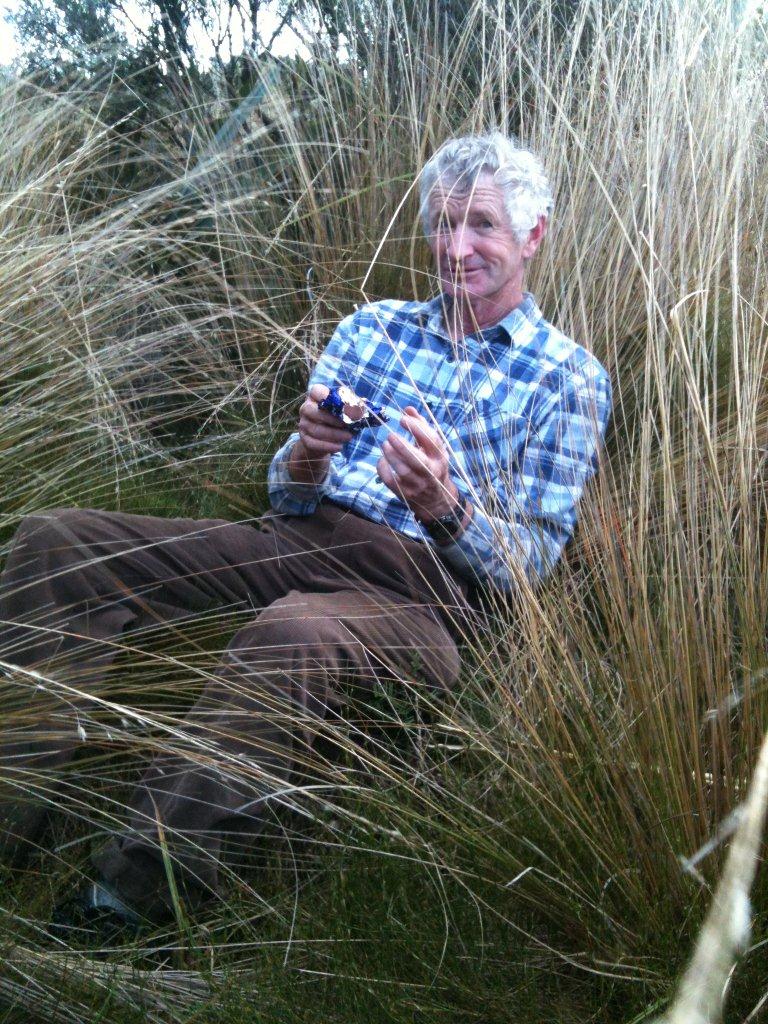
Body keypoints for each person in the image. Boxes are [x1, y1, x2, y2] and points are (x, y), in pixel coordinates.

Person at [0, 132, 611, 929]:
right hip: (298, 539)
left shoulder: (568, 379)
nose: (456, 247)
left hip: (424, 599)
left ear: (533, 235)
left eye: (483, 225)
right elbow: (284, 491)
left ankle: (128, 898)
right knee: (60, 542)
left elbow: (530, 564)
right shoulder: (373, 329)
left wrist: (444, 506)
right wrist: (307, 456)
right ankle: (13, 806)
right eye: (442, 223)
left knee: (291, 633)